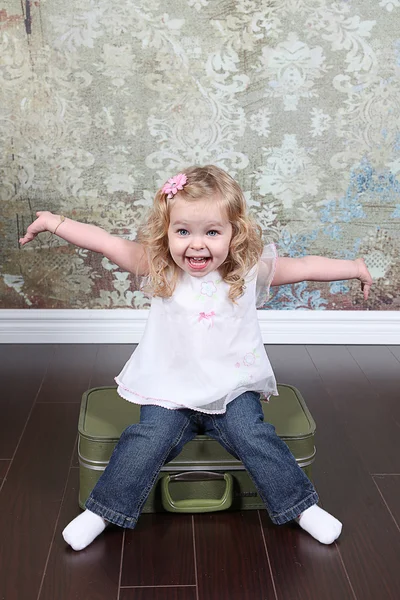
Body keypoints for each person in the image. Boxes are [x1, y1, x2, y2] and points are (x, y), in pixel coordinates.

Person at [19, 165, 373, 552]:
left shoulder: (247, 272)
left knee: (254, 435)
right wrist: (54, 222)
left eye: (212, 232)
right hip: (170, 391)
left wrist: (354, 268)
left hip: (232, 390)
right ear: (166, 231)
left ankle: (301, 507)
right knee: (146, 438)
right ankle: (102, 510)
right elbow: (104, 242)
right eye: (183, 231)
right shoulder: (158, 268)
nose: (197, 244)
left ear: (234, 233)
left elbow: (305, 266)